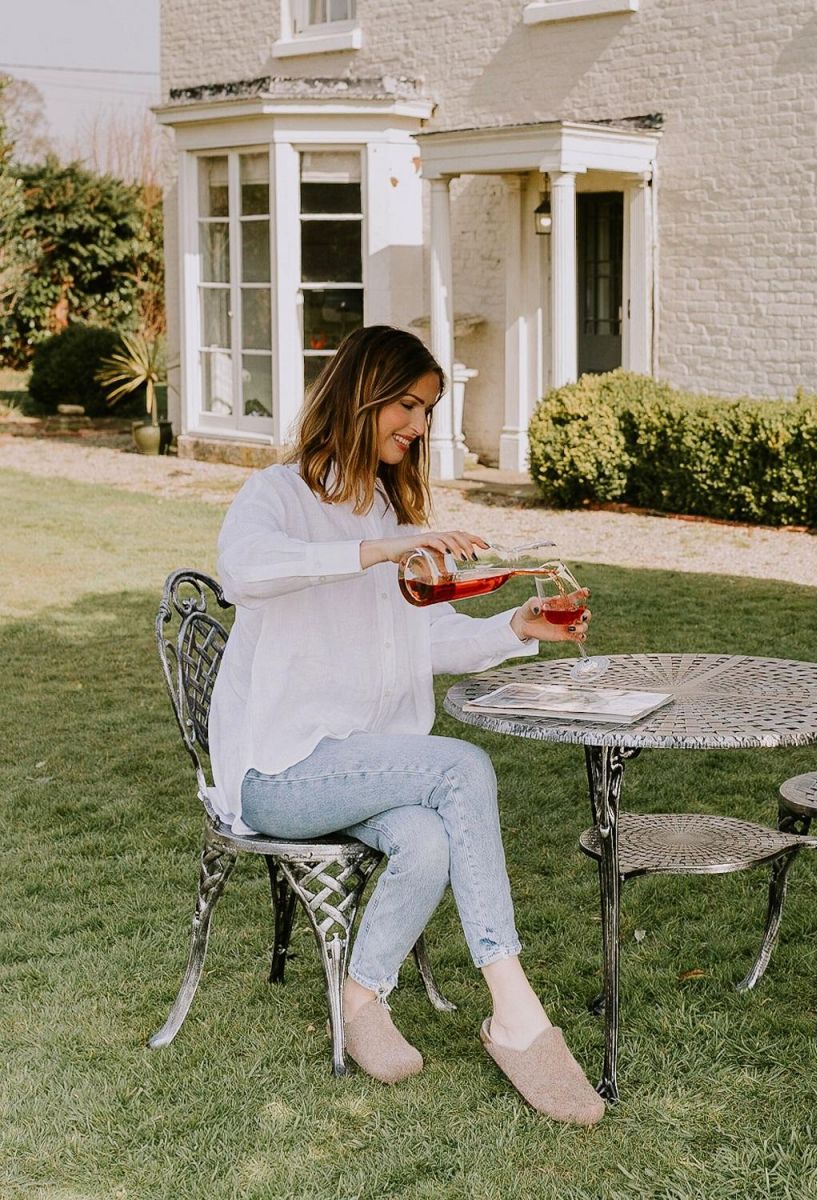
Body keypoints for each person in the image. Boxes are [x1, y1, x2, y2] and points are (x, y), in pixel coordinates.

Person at [207, 325, 604, 1127]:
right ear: (364, 394)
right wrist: (380, 549)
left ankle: (360, 1001)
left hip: (356, 766)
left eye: (427, 411)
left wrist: (516, 628)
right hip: (276, 773)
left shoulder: (389, 507)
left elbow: (421, 642)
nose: (420, 426)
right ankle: (515, 1012)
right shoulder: (278, 495)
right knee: (461, 767)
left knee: (425, 839)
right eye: (410, 406)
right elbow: (242, 571)